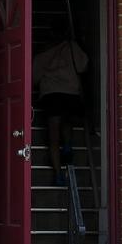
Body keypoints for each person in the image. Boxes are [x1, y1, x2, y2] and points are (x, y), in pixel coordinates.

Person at [34, 32, 90, 175]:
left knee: (53, 136)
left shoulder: (43, 52)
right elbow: (83, 65)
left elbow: (33, 76)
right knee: (67, 120)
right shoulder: (71, 46)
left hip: (51, 94)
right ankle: (67, 146)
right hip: (70, 93)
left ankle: (58, 174)